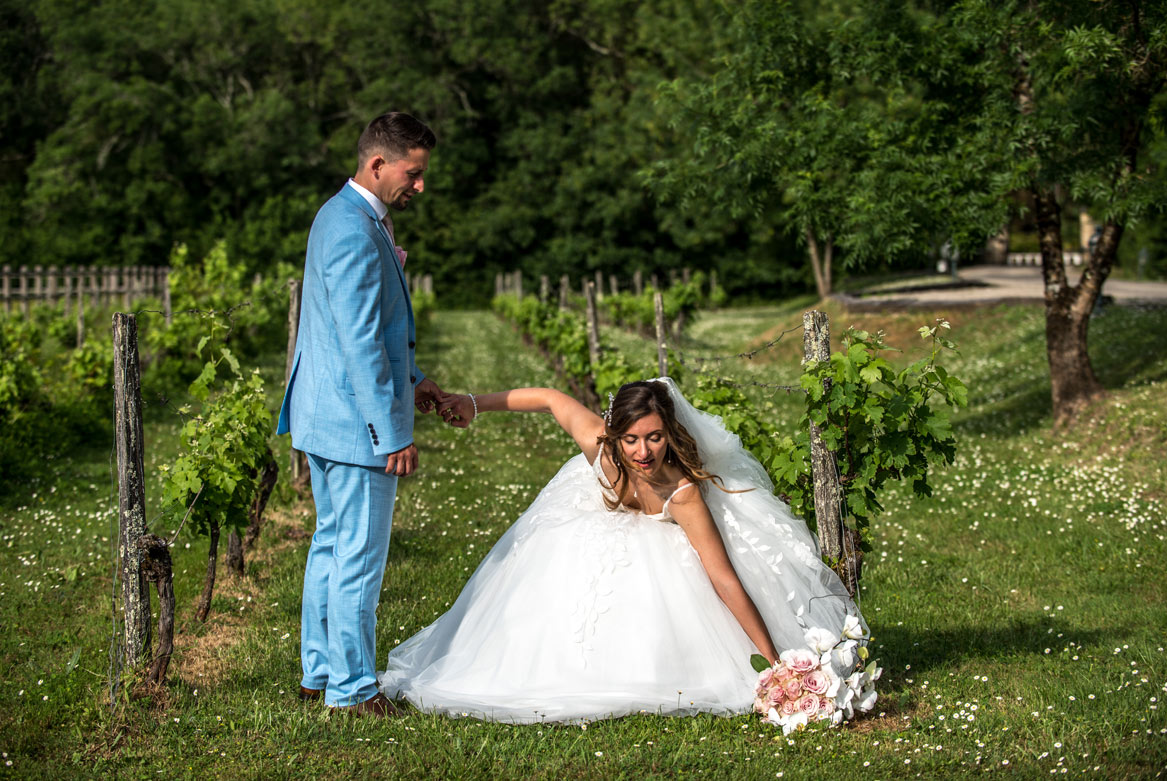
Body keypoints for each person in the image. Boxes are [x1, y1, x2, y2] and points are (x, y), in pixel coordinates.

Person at [378, 378, 866, 723]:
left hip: (660, 534)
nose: (642, 452)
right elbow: (549, 398)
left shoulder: (683, 493)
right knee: (557, 564)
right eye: (631, 438)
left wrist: (773, 658)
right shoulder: (603, 449)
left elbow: (722, 578)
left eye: (654, 437)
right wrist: (471, 401)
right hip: (593, 517)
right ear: (615, 436)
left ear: (669, 435)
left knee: (650, 578)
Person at [276, 111, 446, 716]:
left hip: (324, 415)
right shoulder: (352, 227)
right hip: (353, 425)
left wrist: (417, 383)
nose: (419, 185)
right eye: (413, 172)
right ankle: (352, 689)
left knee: (331, 545)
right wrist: (392, 432)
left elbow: (369, 327)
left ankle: (319, 672)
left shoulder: (341, 215)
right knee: (359, 555)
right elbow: (359, 339)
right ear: (378, 164)